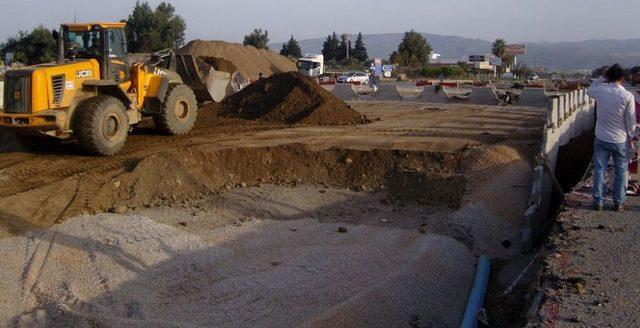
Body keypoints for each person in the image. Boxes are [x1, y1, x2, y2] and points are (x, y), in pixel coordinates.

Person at [587, 64, 637, 212]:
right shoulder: (627, 96)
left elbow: (589, 91)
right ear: (622, 78)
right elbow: (631, 121)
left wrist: (602, 77)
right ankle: (619, 202)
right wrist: (632, 136)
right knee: (621, 170)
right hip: (620, 139)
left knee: (599, 169)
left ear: (608, 77)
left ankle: (598, 202)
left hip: (601, 137)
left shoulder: (600, 90)